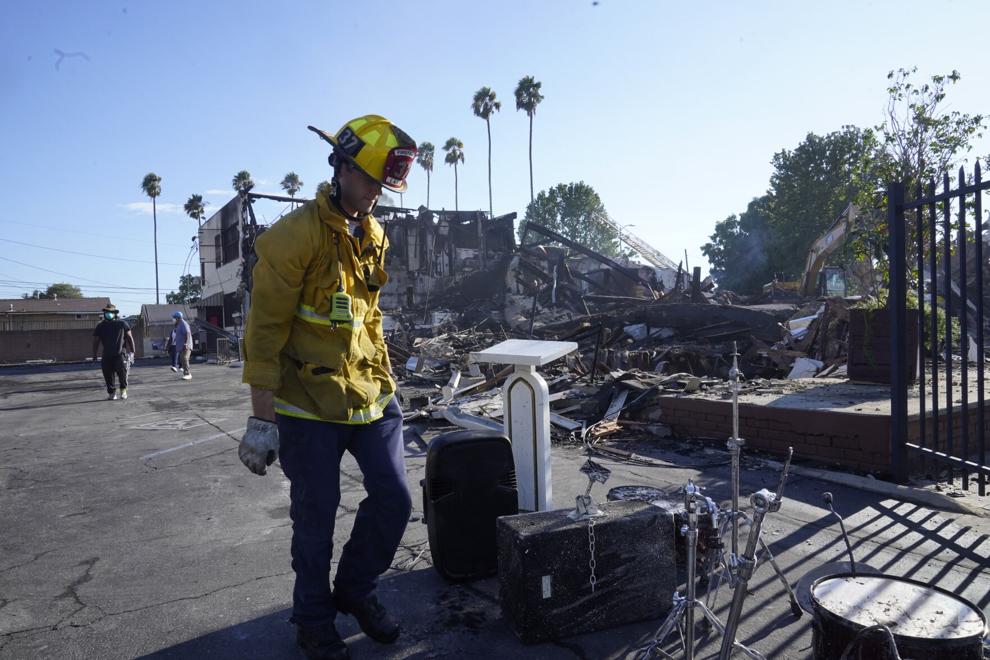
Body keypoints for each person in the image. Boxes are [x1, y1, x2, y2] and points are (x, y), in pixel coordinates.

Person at [238, 115, 416, 660]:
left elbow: (368, 318)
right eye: (367, 181)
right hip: (306, 405)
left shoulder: (375, 234)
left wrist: (387, 380)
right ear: (339, 168)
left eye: (382, 187)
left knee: (396, 498)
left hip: (370, 396)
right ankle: (314, 619)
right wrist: (261, 419)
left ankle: (356, 591)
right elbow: (263, 333)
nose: (374, 195)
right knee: (315, 518)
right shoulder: (291, 239)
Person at [92, 303, 136, 400]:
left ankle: (123, 390)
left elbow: (130, 338)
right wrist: (94, 353)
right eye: (107, 312)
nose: (108, 314)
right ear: (104, 313)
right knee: (107, 374)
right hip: (107, 355)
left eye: (110, 312)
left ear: (114, 313)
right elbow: (96, 341)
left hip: (120, 354)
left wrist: (132, 352)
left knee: (122, 374)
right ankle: (112, 393)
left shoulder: (122, 324)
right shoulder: (100, 326)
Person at [172, 311, 193, 380]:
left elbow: (187, 333)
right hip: (181, 346)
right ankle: (185, 373)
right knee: (182, 359)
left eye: (174, 318)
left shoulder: (183, 323)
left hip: (186, 345)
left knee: (185, 358)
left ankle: (188, 374)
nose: (173, 319)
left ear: (178, 318)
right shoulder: (179, 324)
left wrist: (186, 343)